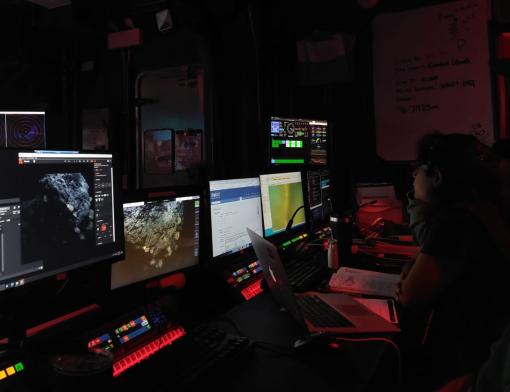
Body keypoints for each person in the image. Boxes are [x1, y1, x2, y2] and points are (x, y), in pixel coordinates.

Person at [396, 132, 510, 390]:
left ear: (436, 176)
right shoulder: (483, 209)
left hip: (468, 363)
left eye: (417, 170)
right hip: (487, 352)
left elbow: (410, 296)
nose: (414, 177)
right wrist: (412, 267)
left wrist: (410, 278)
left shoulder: (455, 221)